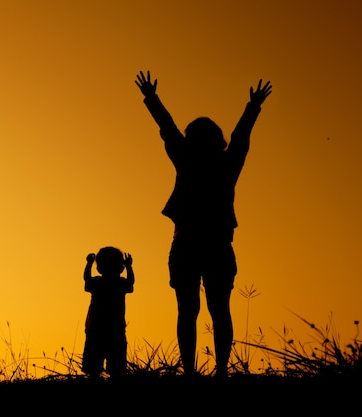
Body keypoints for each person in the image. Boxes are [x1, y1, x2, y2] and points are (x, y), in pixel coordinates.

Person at [135, 70, 272, 376]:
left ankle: (191, 370)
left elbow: (168, 130)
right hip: (216, 246)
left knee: (188, 311)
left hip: (187, 243)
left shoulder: (188, 159)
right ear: (217, 140)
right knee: (219, 310)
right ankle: (220, 369)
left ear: (191, 139)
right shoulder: (226, 163)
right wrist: (252, 107)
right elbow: (240, 139)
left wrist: (152, 98)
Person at [81, 246, 135, 377]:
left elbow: (86, 279)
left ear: (99, 268)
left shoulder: (97, 283)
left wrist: (88, 264)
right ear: (121, 268)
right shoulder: (120, 283)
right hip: (115, 328)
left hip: (95, 328)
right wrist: (129, 267)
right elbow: (131, 283)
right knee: (116, 365)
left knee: (93, 366)